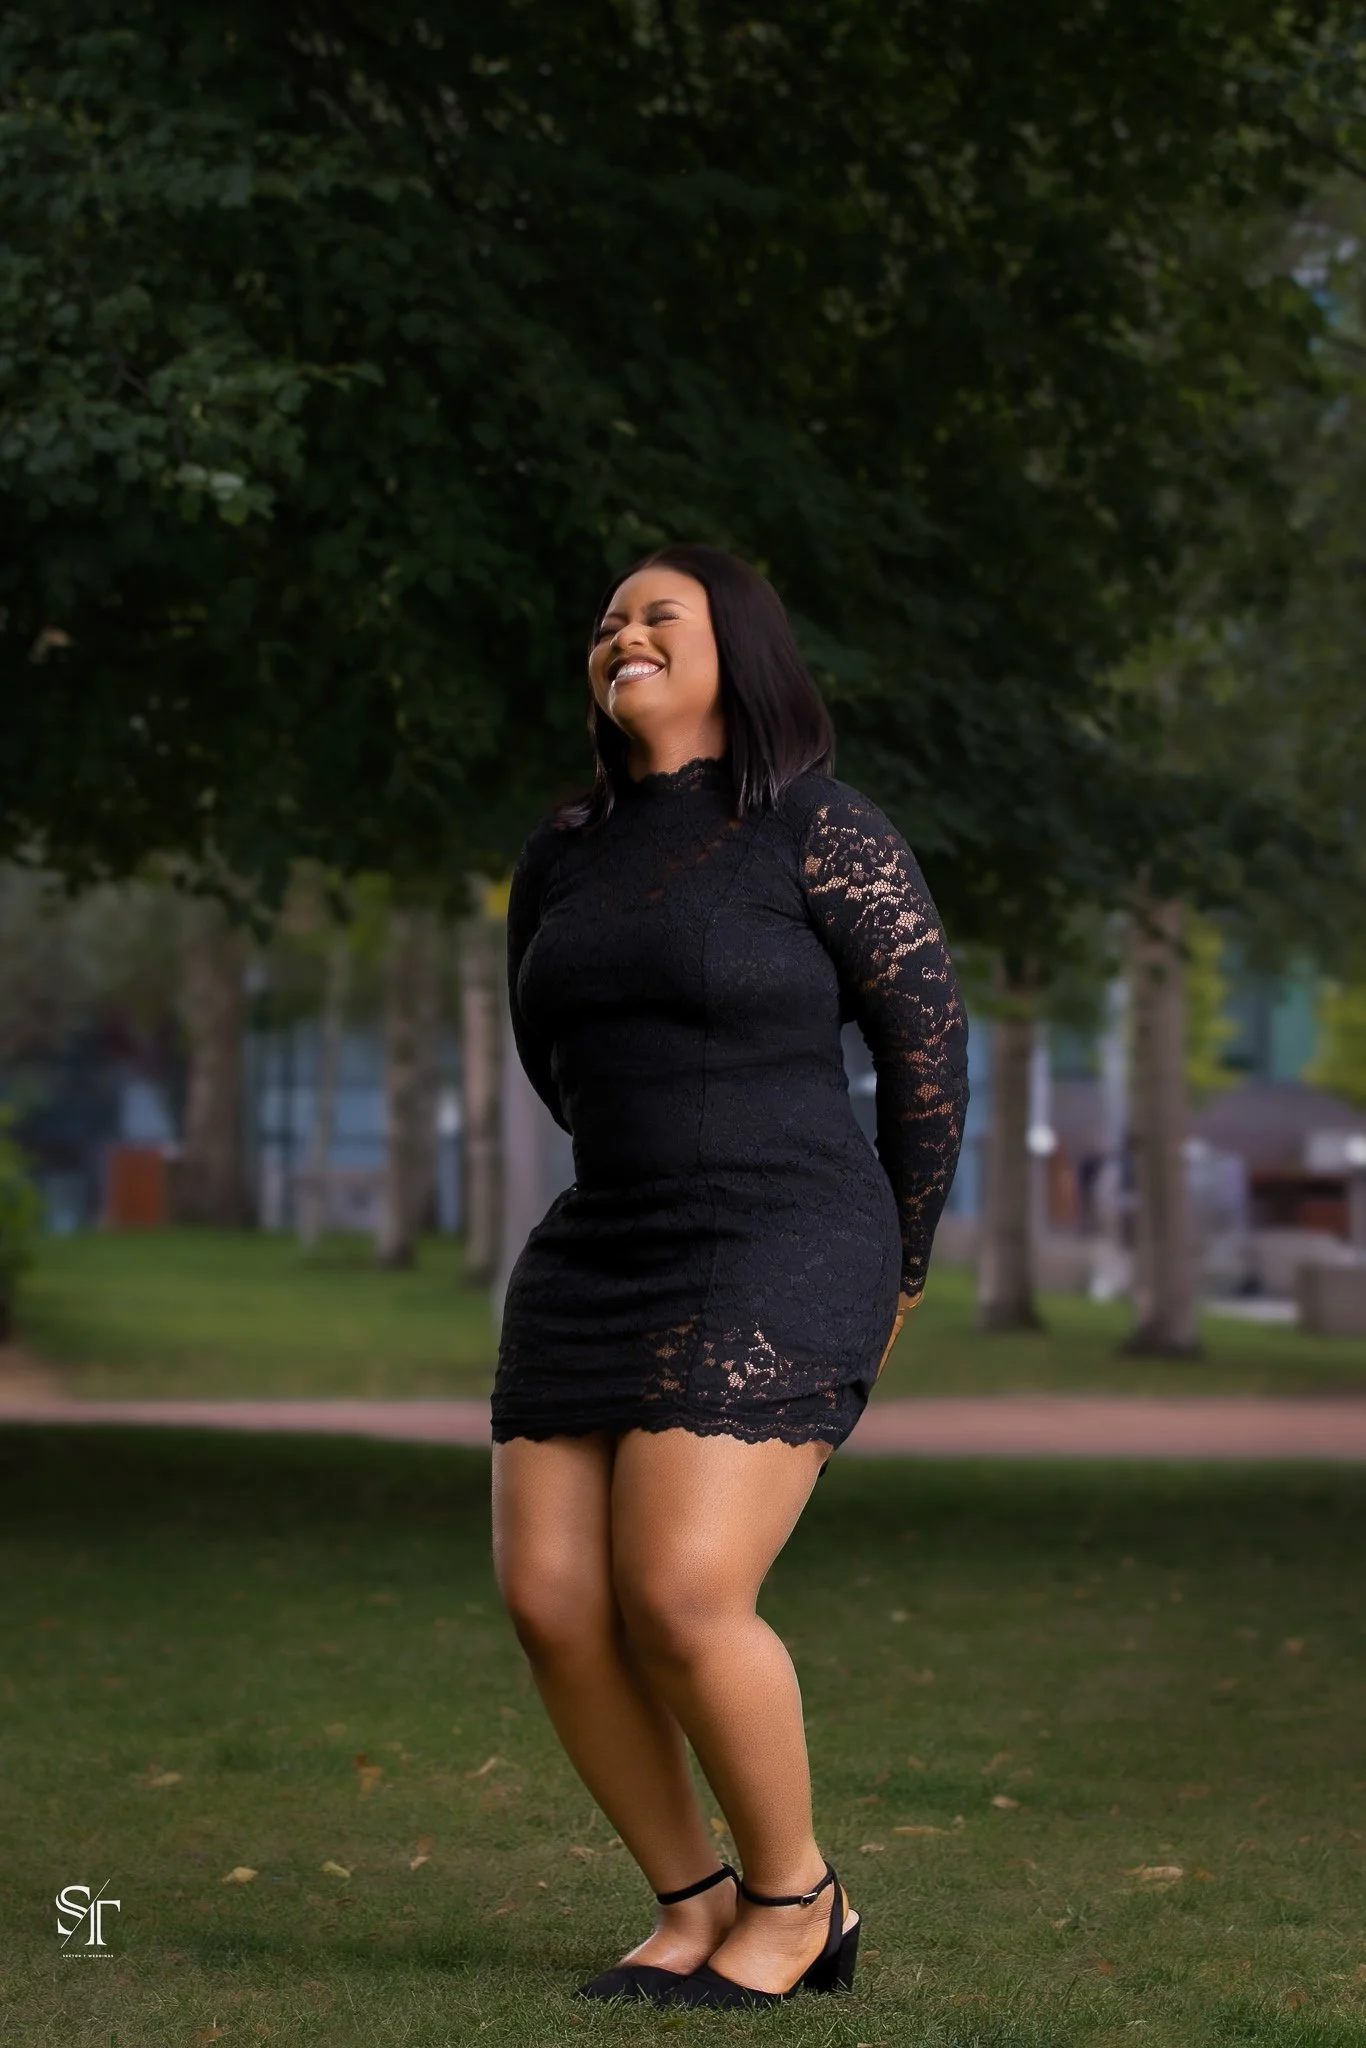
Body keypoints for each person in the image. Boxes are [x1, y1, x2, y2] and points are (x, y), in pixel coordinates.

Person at [491, 543, 968, 2007]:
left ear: (733, 650)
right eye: (606, 623)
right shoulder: (563, 851)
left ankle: (796, 1900)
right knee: (554, 1599)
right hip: (603, 1237)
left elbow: (926, 1053)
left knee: (684, 1590)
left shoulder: (817, 826)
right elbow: (551, 1052)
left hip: (783, 1231)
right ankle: (691, 1902)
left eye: (658, 616)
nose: (620, 638)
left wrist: (898, 1262)